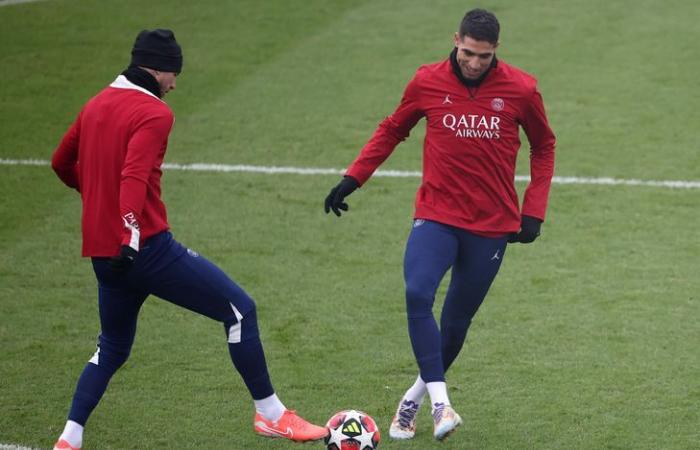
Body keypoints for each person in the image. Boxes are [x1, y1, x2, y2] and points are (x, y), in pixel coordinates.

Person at [50, 29, 327, 450]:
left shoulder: (94, 105)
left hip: (104, 256)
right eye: (173, 74)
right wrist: (130, 231)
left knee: (112, 348)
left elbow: (60, 162)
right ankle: (271, 415)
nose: (174, 84)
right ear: (158, 68)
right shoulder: (154, 113)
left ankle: (69, 438)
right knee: (239, 311)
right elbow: (134, 175)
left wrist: (98, 203)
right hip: (145, 250)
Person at [324, 9, 555, 441]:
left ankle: (412, 399)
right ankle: (441, 403)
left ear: (495, 51)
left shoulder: (522, 89)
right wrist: (353, 177)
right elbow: (394, 129)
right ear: (456, 40)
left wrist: (534, 209)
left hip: (491, 226)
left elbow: (544, 147)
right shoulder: (426, 81)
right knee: (417, 292)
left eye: (483, 57)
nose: (473, 63)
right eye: (467, 53)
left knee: (454, 325)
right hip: (436, 215)